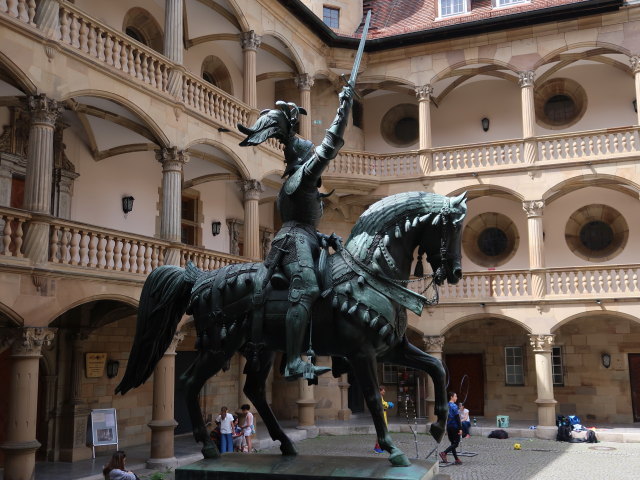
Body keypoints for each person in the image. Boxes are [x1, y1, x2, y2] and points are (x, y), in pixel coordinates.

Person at [237, 85, 354, 381]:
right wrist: (343, 109)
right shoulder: (301, 178)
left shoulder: (305, 185)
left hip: (309, 238)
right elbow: (330, 147)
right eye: (310, 153)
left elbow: (309, 223)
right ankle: (292, 361)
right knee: (308, 290)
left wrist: (324, 238)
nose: (314, 156)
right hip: (292, 241)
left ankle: (341, 350)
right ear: (303, 159)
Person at [440, 392, 462, 465]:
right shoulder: (454, 406)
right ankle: (444, 453)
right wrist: (460, 428)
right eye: (455, 396)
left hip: (449, 427)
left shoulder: (446, 405)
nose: (456, 398)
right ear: (451, 397)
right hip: (455, 427)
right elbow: (457, 418)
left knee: (453, 443)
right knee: (456, 444)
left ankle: (456, 459)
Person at [373, 385, 394, 453]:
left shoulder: (380, 397)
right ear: (379, 391)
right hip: (380, 417)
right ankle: (378, 447)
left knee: (381, 433)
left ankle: (378, 446)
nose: (384, 391)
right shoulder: (378, 397)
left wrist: (387, 404)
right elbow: (382, 404)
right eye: (382, 390)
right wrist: (388, 404)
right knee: (381, 433)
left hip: (382, 416)